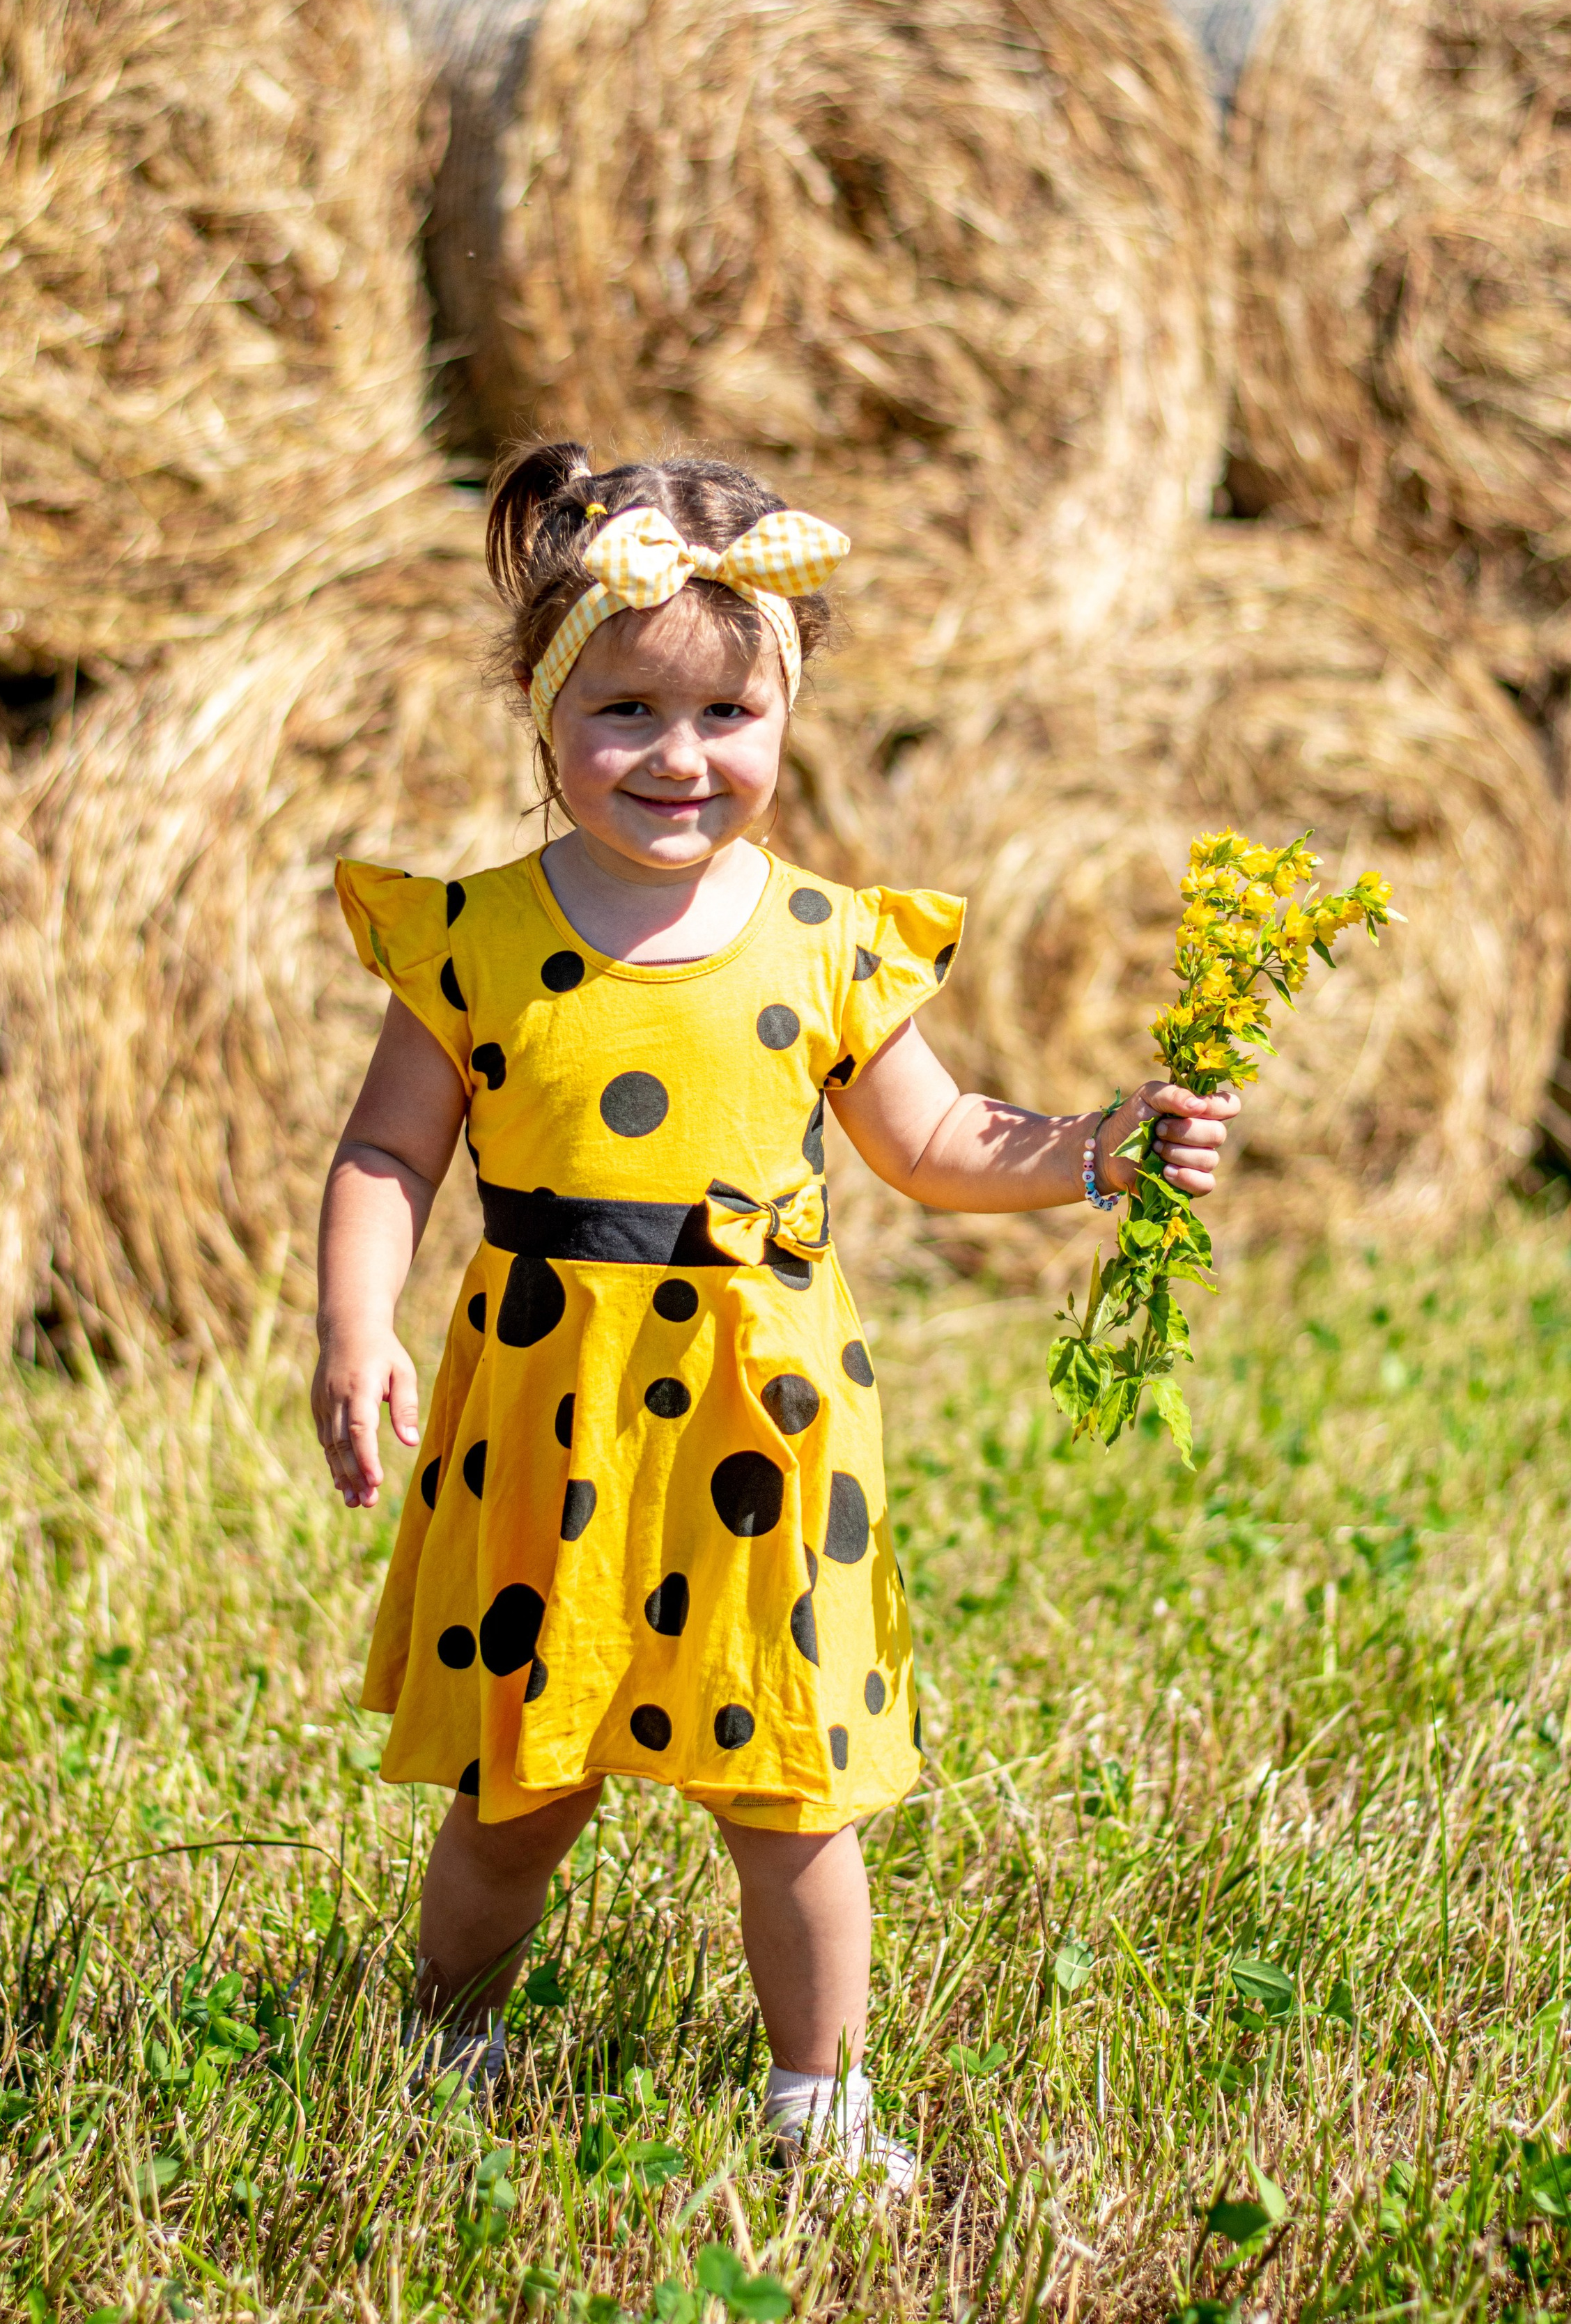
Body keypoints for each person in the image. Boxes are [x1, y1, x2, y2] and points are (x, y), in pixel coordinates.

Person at [311, 443, 1239, 2184]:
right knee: (522, 1784)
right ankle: (443, 2032)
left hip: (762, 1411)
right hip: (549, 1405)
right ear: (540, 708)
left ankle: (818, 2097)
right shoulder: (476, 941)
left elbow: (943, 1145)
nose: (678, 758)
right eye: (624, 714)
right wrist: (355, 1325)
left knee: (789, 1785)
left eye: (728, 714)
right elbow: (386, 1152)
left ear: (785, 709)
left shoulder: (825, 941)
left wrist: (1101, 1149)